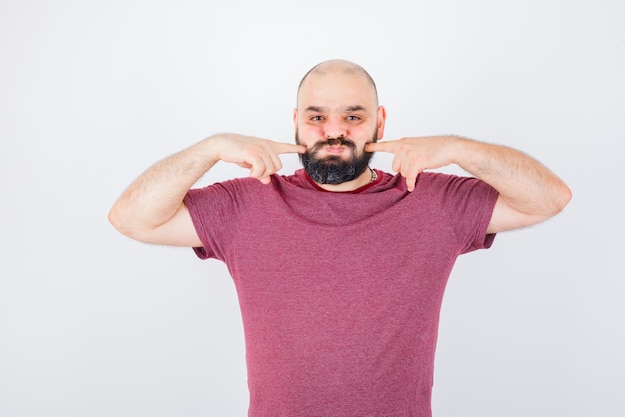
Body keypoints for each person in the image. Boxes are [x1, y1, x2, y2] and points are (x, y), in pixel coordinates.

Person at [108, 59, 571, 417]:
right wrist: (209, 149)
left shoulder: (431, 199)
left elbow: (548, 198)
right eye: (317, 117)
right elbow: (132, 218)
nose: (334, 132)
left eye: (353, 116)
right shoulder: (247, 203)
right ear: (294, 121)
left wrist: (455, 148)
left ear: (380, 122)